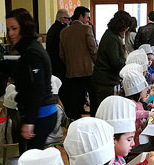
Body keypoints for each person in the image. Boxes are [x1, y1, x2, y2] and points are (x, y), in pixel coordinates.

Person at [7, 8, 57, 152]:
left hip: (41, 114)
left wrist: (30, 121)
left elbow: (37, 88)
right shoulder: (29, 49)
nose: (10, 33)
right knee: (31, 159)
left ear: (25, 27)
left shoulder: (32, 52)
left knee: (30, 160)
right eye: (9, 29)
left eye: (14, 28)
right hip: (38, 112)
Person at [96, 96, 154, 165]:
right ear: (112, 140)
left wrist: (145, 163)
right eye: (129, 139)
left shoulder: (117, 157)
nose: (134, 143)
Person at [92, 10, 133, 117]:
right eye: (127, 27)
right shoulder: (112, 38)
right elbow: (116, 62)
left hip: (105, 79)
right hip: (105, 81)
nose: (127, 29)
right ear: (122, 26)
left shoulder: (110, 35)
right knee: (105, 112)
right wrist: (127, 61)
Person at [59, 6, 97, 120]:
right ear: (80, 16)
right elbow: (93, 50)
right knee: (93, 97)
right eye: (87, 17)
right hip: (88, 71)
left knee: (75, 99)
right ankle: (93, 120)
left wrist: (70, 64)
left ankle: (75, 122)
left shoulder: (64, 32)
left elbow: (61, 54)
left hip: (71, 72)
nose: (88, 20)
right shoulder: (87, 29)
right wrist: (97, 64)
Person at [120, 64, 154, 146]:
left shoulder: (137, 102)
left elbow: (139, 110)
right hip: (133, 137)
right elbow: (133, 114)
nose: (146, 90)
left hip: (138, 131)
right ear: (138, 91)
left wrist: (147, 108)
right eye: (144, 89)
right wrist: (147, 113)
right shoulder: (130, 103)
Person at [46, 9, 71, 80]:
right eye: (68, 18)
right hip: (60, 63)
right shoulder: (63, 30)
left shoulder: (52, 28)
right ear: (62, 19)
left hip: (52, 62)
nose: (70, 21)